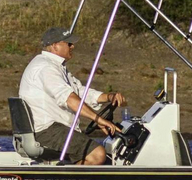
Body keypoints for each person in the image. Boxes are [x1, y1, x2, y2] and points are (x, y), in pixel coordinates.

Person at [18, 26, 125, 166]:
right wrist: (98, 119)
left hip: (54, 129)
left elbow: (78, 92)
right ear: (55, 46)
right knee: (97, 155)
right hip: (47, 131)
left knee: (102, 156)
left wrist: (108, 97)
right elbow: (70, 99)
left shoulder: (55, 66)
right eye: (69, 43)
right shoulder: (46, 68)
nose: (73, 46)